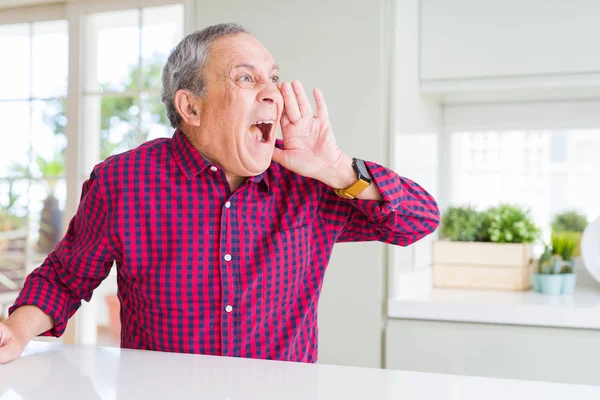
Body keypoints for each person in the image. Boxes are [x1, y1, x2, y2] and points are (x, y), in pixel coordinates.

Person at [0, 23, 439, 364]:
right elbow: (65, 276)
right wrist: (16, 331)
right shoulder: (124, 181)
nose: (273, 94)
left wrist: (339, 168)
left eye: (273, 78)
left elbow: (420, 220)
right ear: (190, 107)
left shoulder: (312, 182)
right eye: (246, 79)